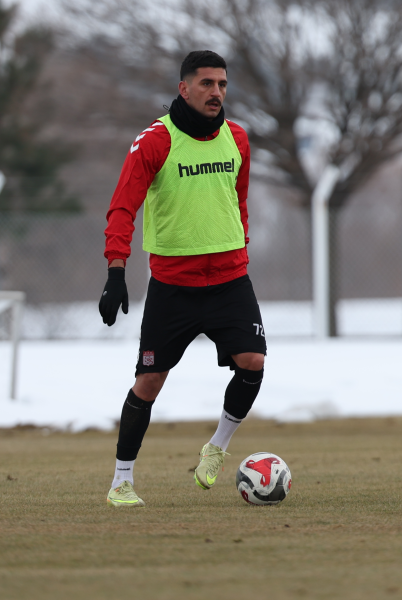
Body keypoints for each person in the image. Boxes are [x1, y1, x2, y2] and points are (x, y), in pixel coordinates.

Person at [98, 50, 266, 507]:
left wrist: (242, 246)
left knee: (253, 360)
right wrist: (116, 271)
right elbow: (122, 207)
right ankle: (121, 482)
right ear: (184, 88)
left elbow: (239, 203)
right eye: (207, 84)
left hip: (231, 279)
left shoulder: (238, 138)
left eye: (223, 85)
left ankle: (217, 448)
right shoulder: (155, 140)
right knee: (150, 382)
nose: (217, 93)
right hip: (174, 285)